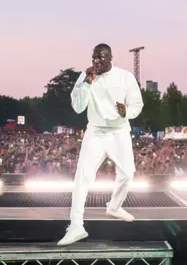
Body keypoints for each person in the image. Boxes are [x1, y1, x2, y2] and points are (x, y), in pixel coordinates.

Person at [57, 43, 144, 246]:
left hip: (119, 131)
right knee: (83, 176)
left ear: (110, 57)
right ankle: (76, 225)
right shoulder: (85, 76)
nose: (96, 61)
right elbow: (78, 107)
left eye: (101, 58)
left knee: (128, 173)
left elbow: (137, 104)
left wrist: (127, 112)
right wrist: (87, 83)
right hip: (95, 132)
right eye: (94, 57)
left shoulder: (125, 77)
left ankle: (114, 206)